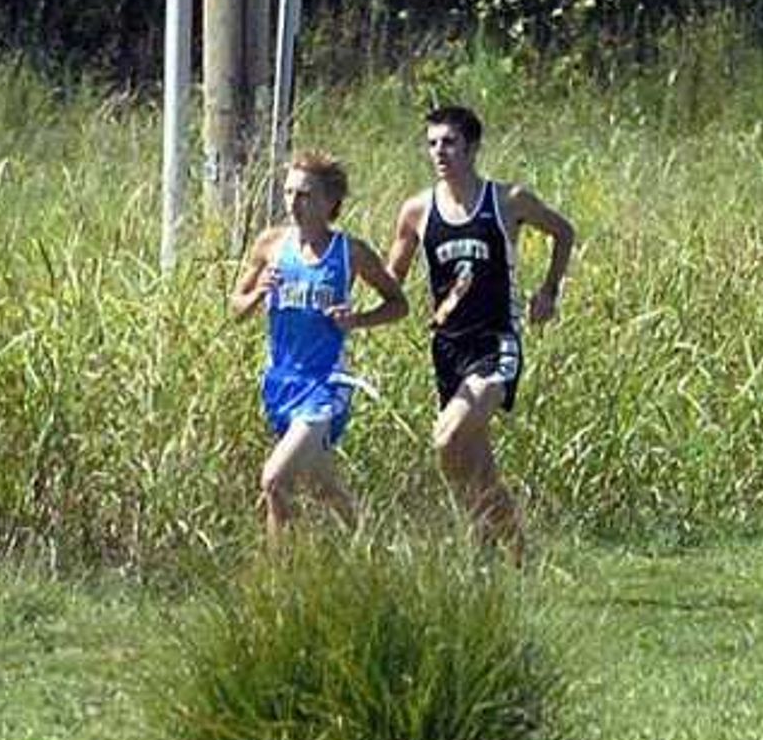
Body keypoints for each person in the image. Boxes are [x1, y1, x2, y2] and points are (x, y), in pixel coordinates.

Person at [385, 103, 579, 558]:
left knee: (447, 437)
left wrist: (549, 291)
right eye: (432, 143)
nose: (440, 152)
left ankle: (484, 537)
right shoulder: (417, 210)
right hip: (448, 348)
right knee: (469, 459)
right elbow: (391, 278)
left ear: (472, 147)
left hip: (498, 342)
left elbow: (563, 232)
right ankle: (514, 550)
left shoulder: (508, 201)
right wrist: (342, 287)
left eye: (449, 142)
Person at [231, 150, 409, 536]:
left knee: (274, 481)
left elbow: (398, 305)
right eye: (289, 192)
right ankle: (370, 545)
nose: (294, 203)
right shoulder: (271, 245)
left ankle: (280, 581)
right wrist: (259, 292)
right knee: (322, 486)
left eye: (305, 195)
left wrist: (356, 320)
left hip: (326, 383)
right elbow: (236, 307)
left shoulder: (350, 253)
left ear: (330, 202)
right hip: (281, 381)